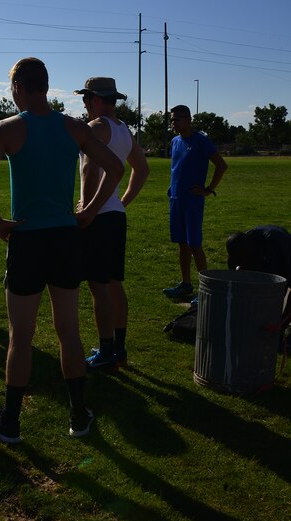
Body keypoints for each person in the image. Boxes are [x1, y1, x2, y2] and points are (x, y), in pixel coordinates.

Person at [0, 57, 124, 443]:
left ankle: (10, 421)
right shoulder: (72, 127)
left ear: (20, 87)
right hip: (65, 239)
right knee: (68, 332)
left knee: (20, 337)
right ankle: (77, 415)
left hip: (27, 240)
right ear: (45, 85)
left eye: (12, 89)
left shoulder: (7, 128)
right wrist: (88, 212)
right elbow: (116, 168)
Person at [74, 77, 150, 371]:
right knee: (114, 284)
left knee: (98, 285)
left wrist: (88, 209)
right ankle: (118, 349)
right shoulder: (123, 130)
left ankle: (106, 351)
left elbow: (91, 170)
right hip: (114, 215)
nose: (84, 105)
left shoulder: (95, 128)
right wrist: (121, 202)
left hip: (98, 216)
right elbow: (141, 170)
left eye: (85, 99)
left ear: (94, 99)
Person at [163, 104, 227, 299]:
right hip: (176, 200)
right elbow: (178, 168)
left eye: (177, 119)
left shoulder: (201, 141)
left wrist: (208, 189)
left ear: (189, 119)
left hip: (193, 201)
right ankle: (186, 284)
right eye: (172, 119)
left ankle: (205, 290)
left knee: (194, 244)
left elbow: (221, 165)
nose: (174, 123)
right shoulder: (175, 141)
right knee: (182, 244)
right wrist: (172, 187)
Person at [226, 225, 291, 347]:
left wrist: (281, 326)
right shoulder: (241, 244)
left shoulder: (279, 249)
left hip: (281, 249)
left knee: (274, 290)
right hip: (265, 253)